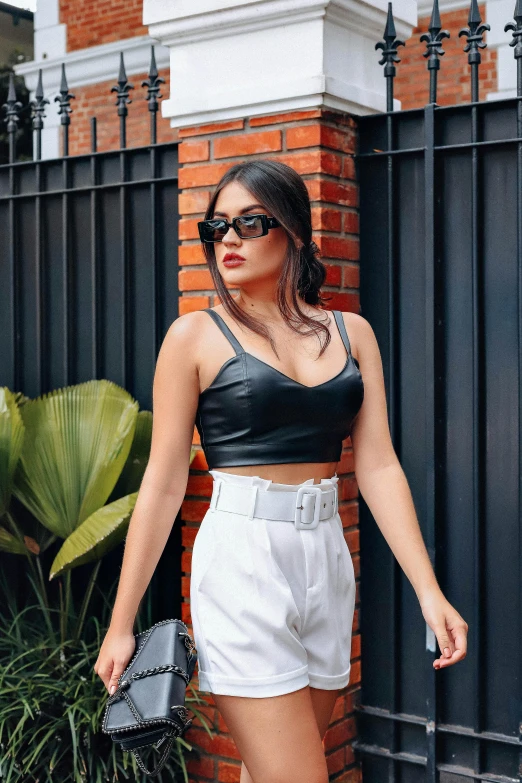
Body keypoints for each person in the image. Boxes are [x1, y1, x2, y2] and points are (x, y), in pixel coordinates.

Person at [94, 159, 468, 783]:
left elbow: (376, 466)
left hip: (325, 559)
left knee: (268, 770)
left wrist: (429, 592)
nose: (229, 239)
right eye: (217, 226)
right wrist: (121, 623)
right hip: (242, 559)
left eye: (249, 222)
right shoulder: (194, 337)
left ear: (293, 228)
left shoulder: (353, 334)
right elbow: (162, 483)